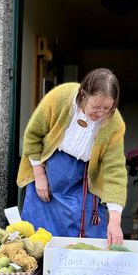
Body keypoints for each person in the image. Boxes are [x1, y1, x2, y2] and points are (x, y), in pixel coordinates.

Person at [17, 68, 127, 245]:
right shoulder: (61, 98)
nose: (100, 113)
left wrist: (115, 222)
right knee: (37, 240)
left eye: (107, 108)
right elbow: (33, 135)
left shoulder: (114, 123)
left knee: (82, 241)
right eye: (96, 106)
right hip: (48, 170)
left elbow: (115, 172)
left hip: (84, 180)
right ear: (83, 95)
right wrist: (39, 175)